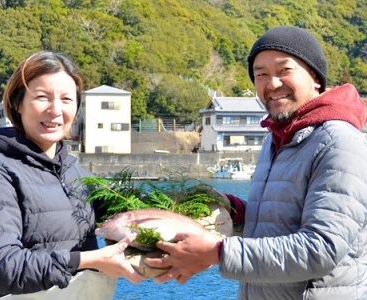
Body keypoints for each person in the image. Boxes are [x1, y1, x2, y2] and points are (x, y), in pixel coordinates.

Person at [145, 25, 367, 299]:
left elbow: (321, 248)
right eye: (261, 75)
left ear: (315, 77)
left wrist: (216, 253)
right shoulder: (276, 139)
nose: (272, 84)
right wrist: (237, 212)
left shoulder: (338, 141)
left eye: (284, 70)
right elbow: (281, 221)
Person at [0, 51, 144, 300]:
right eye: (42, 97)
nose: (55, 110)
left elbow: (136, 219)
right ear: (17, 103)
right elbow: (1, 267)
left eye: (66, 99)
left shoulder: (76, 172)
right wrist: (90, 259)